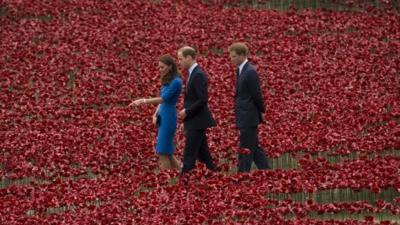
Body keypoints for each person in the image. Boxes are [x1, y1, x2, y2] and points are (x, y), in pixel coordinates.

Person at [130, 55, 182, 170]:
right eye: (158, 67)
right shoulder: (168, 80)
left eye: (162, 67)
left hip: (169, 116)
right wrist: (155, 113)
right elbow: (162, 101)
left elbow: (163, 99)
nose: (160, 70)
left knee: (162, 152)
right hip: (164, 114)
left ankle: (168, 180)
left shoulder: (176, 82)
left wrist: (143, 101)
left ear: (170, 67)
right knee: (167, 152)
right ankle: (182, 176)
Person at [228, 42, 271, 172]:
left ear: (242, 55)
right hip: (244, 114)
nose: (231, 59)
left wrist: (261, 110)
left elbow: (256, 94)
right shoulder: (240, 70)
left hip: (248, 115)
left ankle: (242, 175)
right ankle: (267, 172)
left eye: (234, 56)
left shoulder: (250, 71)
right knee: (254, 147)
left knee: (245, 147)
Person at [177, 46, 217, 174]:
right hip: (195, 121)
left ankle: (183, 184)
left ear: (189, 58)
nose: (179, 62)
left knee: (189, 154)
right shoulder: (192, 73)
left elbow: (202, 99)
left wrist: (187, 112)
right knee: (204, 155)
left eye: (181, 59)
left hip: (197, 121)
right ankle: (214, 176)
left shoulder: (198, 74)